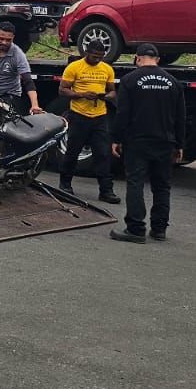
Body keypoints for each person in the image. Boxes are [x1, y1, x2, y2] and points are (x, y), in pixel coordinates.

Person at [110, 43, 187, 242]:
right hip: (165, 141)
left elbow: (123, 113)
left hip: (138, 141)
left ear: (138, 58)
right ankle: (159, 229)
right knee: (162, 186)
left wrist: (116, 139)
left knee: (135, 183)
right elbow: (180, 116)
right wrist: (179, 144)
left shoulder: (129, 80)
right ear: (158, 59)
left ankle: (136, 229)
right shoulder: (173, 82)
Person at [58, 40, 118, 203]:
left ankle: (106, 190)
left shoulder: (107, 69)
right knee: (73, 151)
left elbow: (113, 92)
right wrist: (81, 95)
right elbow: (62, 90)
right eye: (94, 56)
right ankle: (65, 185)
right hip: (79, 115)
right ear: (86, 53)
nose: (97, 59)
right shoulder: (75, 67)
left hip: (100, 116)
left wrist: (106, 96)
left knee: (103, 154)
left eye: (100, 57)